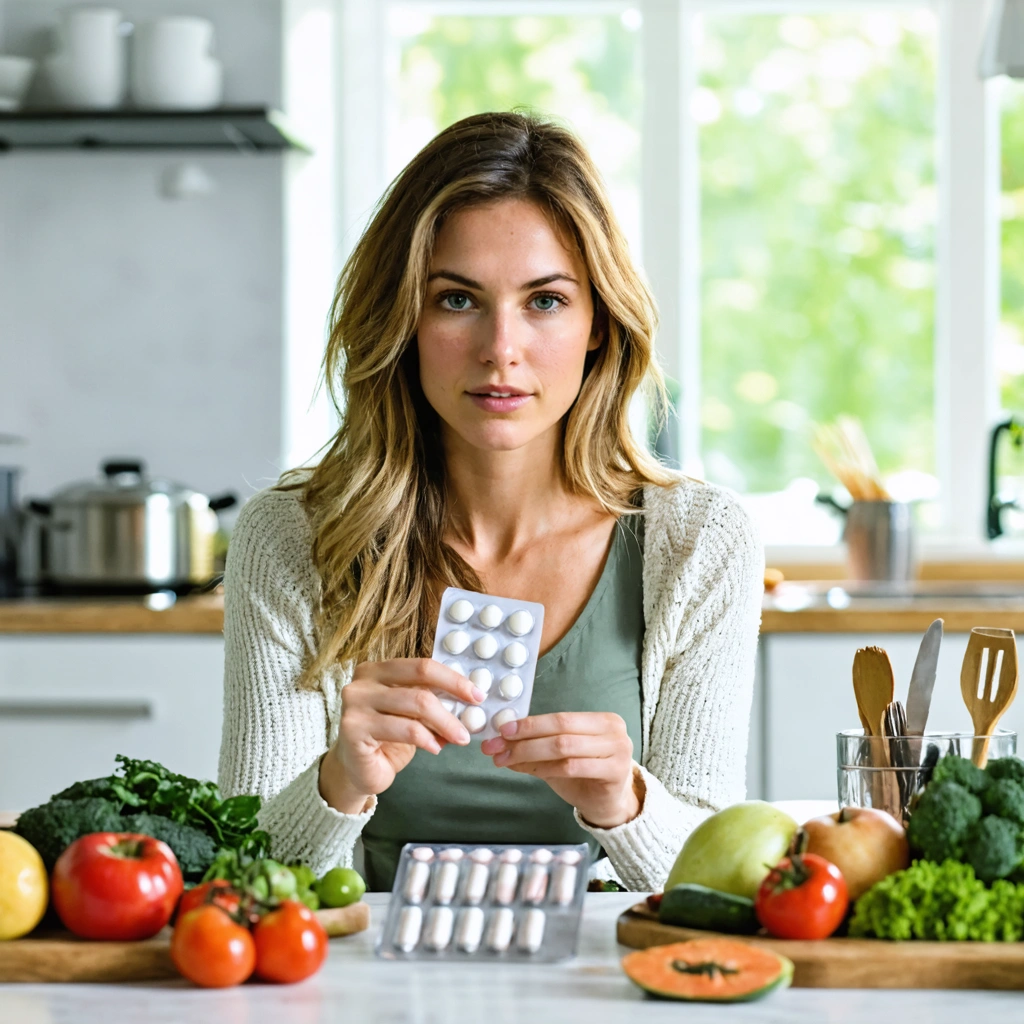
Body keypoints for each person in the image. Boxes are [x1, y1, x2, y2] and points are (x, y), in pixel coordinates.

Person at [219, 111, 763, 891]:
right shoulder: (293, 536)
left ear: (599, 325)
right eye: (456, 300)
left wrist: (625, 803)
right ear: (403, 318)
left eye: (544, 302)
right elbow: (243, 875)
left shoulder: (700, 540)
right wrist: (339, 782)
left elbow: (720, 881)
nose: (500, 349)